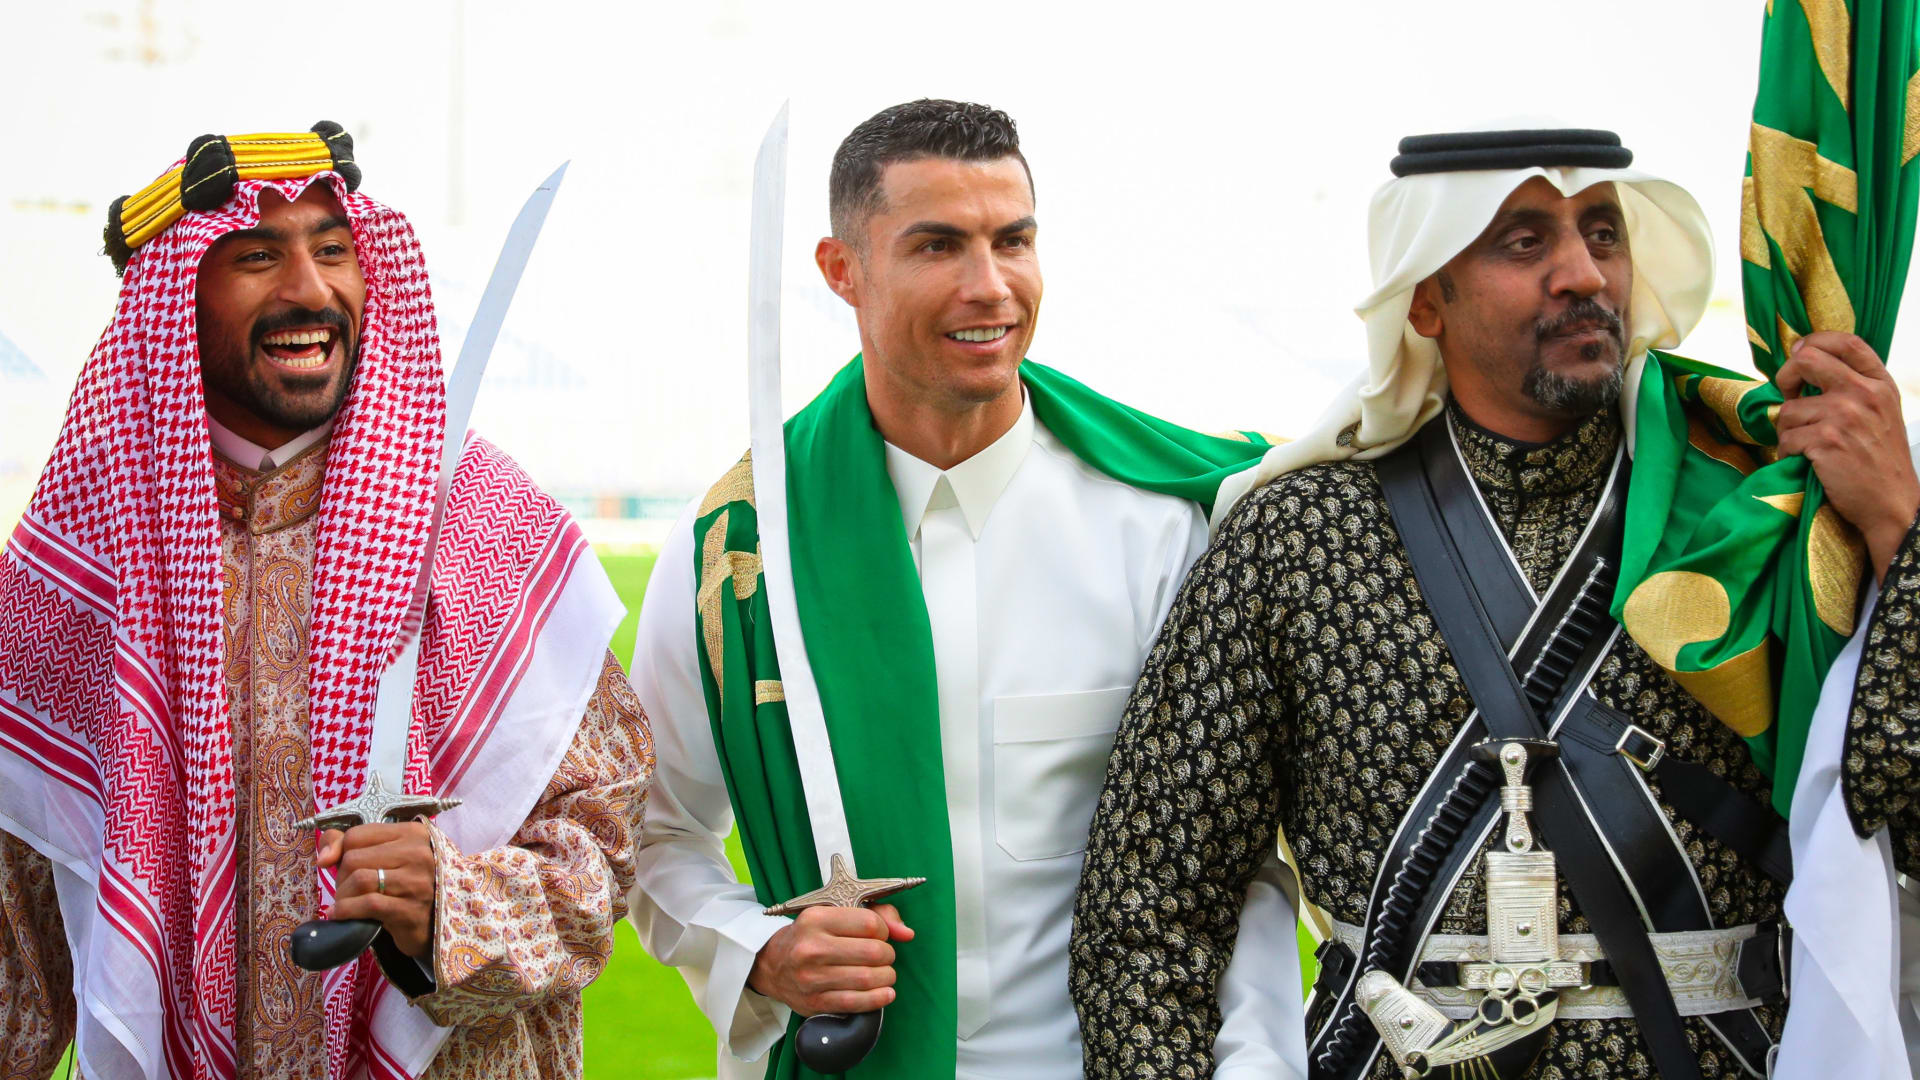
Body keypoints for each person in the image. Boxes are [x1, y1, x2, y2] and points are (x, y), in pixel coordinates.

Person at [1071, 126, 1920, 1080]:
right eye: (1525, 241)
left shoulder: (1754, 517)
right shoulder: (1293, 538)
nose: (1584, 274)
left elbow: (1904, 818)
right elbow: (1149, 906)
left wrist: (1898, 531)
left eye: (1604, 234)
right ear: (1425, 298)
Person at [628, 99, 1303, 1079]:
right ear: (841, 270)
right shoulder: (738, 554)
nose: (990, 286)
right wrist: (759, 952)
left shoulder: (1166, 531)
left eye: (1013, 241)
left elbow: (1236, 863)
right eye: (938, 246)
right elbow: (655, 835)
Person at [0, 124, 652, 1080]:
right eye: (258, 256)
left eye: (334, 250)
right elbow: (14, 939)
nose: (310, 290)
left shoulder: (485, 523)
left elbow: (604, 844)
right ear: (174, 297)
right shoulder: (77, 568)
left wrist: (455, 907)